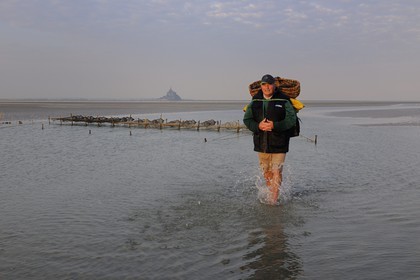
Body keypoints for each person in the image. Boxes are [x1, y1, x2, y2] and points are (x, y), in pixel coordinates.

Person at [243, 74, 297, 205]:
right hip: (261, 143)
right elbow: (247, 120)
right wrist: (258, 126)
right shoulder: (255, 101)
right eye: (264, 84)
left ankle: (273, 201)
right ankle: (271, 191)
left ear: (274, 85)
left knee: (276, 171)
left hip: (280, 142)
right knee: (266, 172)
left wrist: (275, 125)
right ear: (261, 86)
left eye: (269, 84)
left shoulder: (284, 100)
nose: (267, 87)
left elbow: (291, 120)